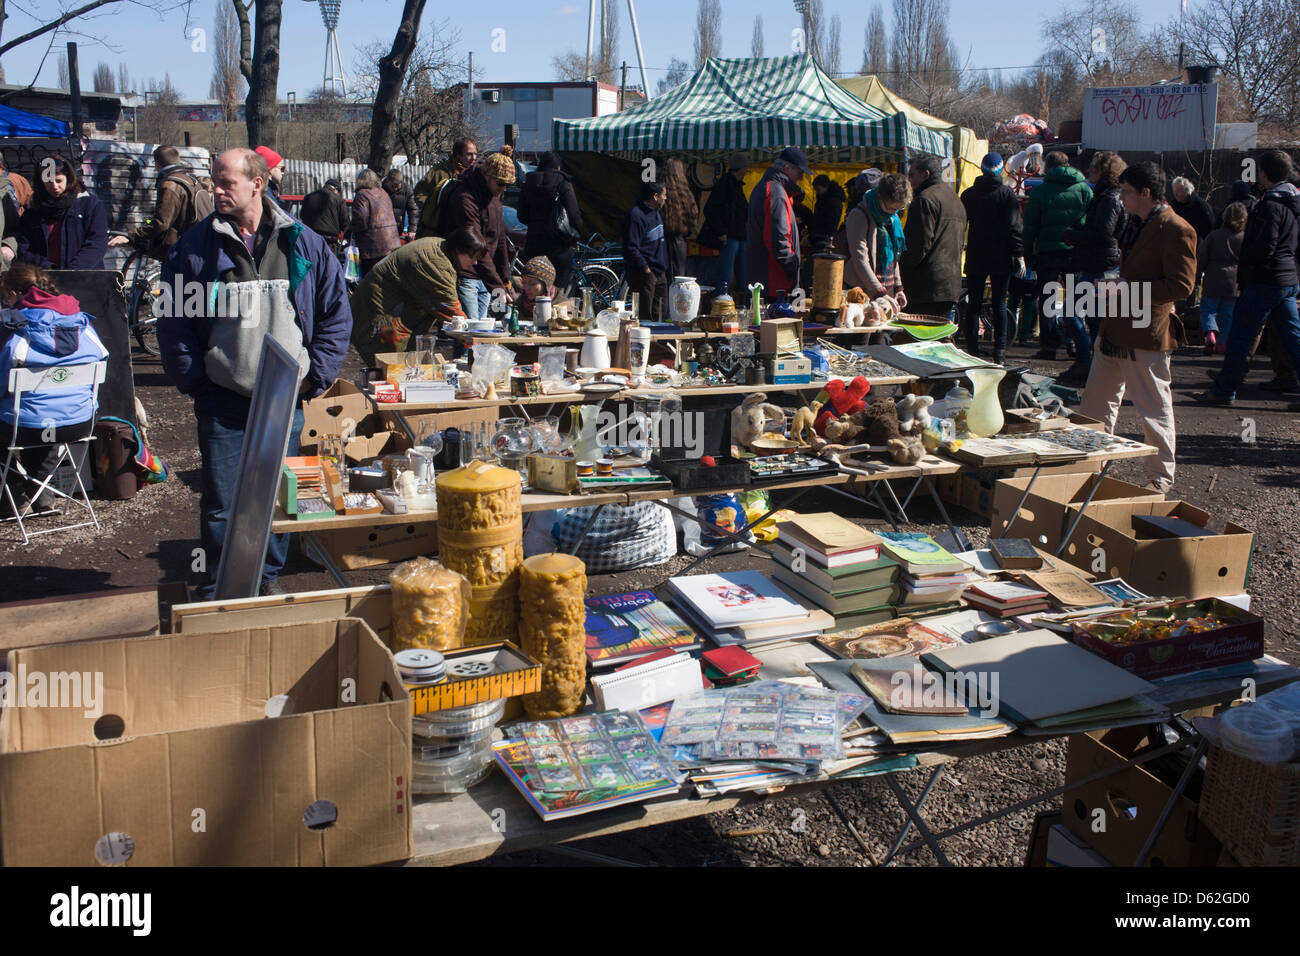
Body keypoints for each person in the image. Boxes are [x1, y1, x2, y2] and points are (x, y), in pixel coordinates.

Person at [156, 147, 352, 598]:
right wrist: (197, 382)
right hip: (223, 400)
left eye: (226, 182)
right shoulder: (195, 248)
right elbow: (172, 323)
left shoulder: (302, 242)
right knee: (224, 503)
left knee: (277, 501)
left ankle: (264, 583)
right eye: (214, 180)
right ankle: (220, 591)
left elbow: (336, 315)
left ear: (257, 184)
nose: (215, 189)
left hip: (285, 399)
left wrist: (313, 376)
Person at [1079, 162, 1196, 494]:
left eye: (1127, 192)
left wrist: (1129, 291)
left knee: (1153, 410)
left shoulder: (1177, 228)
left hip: (1147, 334)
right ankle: (1088, 468)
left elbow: (1182, 286)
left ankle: (1160, 478)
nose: (1122, 198)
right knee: (1095, 405)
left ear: (1146, 193)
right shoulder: (1136, 223)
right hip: (1115, 329)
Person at [0, 263, 108, 516]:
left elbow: (3, 381)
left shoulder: (15, 332)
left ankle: (13, 497)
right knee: (43, 415)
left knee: (22, 418)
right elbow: (103, 361)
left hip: (28, 428)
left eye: (5, 296)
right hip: (80, 424)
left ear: (15, 295)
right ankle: (42, 491)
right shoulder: (84, 326)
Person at [1197, 150, 1300, 407]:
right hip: (1287, 278)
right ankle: (1226, 386)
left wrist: (1248, 266)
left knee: (1241, 337)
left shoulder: (1269, 207)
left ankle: (1224, 389)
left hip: (1266, 280)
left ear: (1263, 174)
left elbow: (1264, 248)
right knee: (1292, 337)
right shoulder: (1293, 203)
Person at [350, 226, 488, 364]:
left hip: (383, 307)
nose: (474, 263)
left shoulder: (440, 248)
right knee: (388, 365)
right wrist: (472, 341)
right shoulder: (436, 262)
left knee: (397, 366)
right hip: (377, 315)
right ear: (459, 250)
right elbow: (450, 308)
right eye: (472, 257)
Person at [1057, 150, 1128, 385]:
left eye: (1095, 167)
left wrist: (1074, 236)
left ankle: (1088, 364)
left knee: (1073, 313)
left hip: (1098, 265)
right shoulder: (1109, 195)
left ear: (1105, 171)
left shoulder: (1108, 198)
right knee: (1095, 319)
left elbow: (1103, 233)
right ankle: (1096, 366)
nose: (1090, 171)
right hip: (1103, 263)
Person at [1022, 151, 1091, 359]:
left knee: (1048, 299)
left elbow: (1030, 226)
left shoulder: (1041, 191)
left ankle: (1050, 346)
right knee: (1075, 299)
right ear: (1068, 164)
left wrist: (1028, 253)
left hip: (1048, 252)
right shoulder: (1084, 189)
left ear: (1048, 167)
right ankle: (1074, 342)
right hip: (1076, 251)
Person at [960, 152, 1024, 363]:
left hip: (976, 255)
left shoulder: (968, 195)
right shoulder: (1007, 195)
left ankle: (972, 349)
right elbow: (1014, 227)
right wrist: (1019, 254)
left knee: (974, 304)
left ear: (981, 168)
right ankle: (1000, 351)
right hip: (1001, 257)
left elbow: (961, 226)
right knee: (999, 303)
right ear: (999, 169)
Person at [436, 151, 515, 320]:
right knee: (468, 332)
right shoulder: (464, 198)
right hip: (466, 275)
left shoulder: (494, 197)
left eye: (507, 185)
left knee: (484, 331)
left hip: (485, 276)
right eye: (501, 183)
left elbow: (500, 238)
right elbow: (475, 247)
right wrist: (497, 287)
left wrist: (505, 280)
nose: (504, 189)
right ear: (487, 177)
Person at [107, 145, 208, 261]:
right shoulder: (191, 181)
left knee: (177, 279)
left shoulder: (170, 185)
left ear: (157, 164)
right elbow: (159, 219)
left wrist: (133, 235)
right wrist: (148, 222)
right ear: (177, 159)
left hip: (182, 250)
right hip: (197, 244)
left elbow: (161, 222)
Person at [899, 154, 966, 319]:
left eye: (912, 175)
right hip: (949, 284)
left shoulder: (924, 199)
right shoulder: (955, 199)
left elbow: (918, 246)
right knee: (938, 337)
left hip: (925, 287)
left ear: (925, 174)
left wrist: (901, 275)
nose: (909, 180)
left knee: (919, 340)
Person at [16, 155, 108, 270]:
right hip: (44, 279)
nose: (55, 186)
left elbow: (97, 243)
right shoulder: (33, 210)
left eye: (59, 180)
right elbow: (24, 249)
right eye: (48, 181)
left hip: (84, 278)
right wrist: (47, 268)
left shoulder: (89, 205)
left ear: (68, 178)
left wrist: (73, 271)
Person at [746, 147, 810, 296]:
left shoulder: (771, 188)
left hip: (768, 277)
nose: (801, 178)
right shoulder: (776, 192)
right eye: (800, 173)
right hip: (773, 282)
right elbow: (778, 239)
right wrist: (793, 267)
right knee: (776, 318)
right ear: (787, 168)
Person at [519, 152, 584, 293]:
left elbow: (521, 215)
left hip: (534, 242)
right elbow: (574, 213)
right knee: (559, 288)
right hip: (559, 243)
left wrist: (534, 223)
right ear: (558, 167)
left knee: (534, 286)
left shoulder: (528, 183)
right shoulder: (563, 182)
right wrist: (578, 232)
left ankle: (534, 313)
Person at [843, 171, 910, 308]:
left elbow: (894, 256)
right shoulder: (859, 215)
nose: (893, 212)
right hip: (861, 290)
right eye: (890, 207)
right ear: (880, 197)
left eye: (899, 208)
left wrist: (898, 287)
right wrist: (879, 291)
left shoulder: (892, 218)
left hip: (884, 290)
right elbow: (860, 259)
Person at [1196, 201, 1247, 355]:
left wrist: (1197, 277)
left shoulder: (1214, 236)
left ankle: (1210, 332)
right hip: (1234, 281)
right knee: (1228, 314)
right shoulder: (1244, 238)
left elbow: (1202, 257)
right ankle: (1222, 344)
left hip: (1213, 277)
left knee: (1208, 310)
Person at [700, 153, 749, 293]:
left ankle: (738, 305)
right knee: (726, 279)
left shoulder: (734, 185)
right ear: (742, 168)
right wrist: (721, 232)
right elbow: (709, 209)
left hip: (738, 237)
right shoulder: (725, 184)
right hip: (731, 237)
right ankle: (722, 306)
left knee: (740, 277)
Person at [623, 180, 669, 321]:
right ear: (655, 196)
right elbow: (630, 247)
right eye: (664, 195)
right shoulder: (635, 215)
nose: (666, 198)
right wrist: (646, 269)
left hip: (660, 271)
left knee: (661, 313)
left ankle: (659, 341)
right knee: (645, 316)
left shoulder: (656, 213)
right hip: (644, 274)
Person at [414, 138, 477, 238]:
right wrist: (434, 208)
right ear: (458, 155)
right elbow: (419, 192)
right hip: (438, 232)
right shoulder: (439, 172)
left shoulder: (475, 175)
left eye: (475, 154)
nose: (473, 158)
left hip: (464, 230)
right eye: (469, 154)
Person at [349, 168, 401, 276]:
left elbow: (361, 220)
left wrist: (351, 229)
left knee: (371, 281)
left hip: (373, 246)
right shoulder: (384, 193)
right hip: (392, 243)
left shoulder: (362, 195)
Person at [661, 158, 698, 281]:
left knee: (665, 280)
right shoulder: (686, 193)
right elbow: (693, 216)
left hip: (663, 240)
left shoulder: (663, 193)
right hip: (680, 241)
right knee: (679, 279)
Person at [513, 255, 572, 322]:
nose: (526, 288)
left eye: (532, 284)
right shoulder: (520, 303)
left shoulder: (564, 307)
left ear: (546, 285)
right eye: (524, 283)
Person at [300, 178, 347, 248]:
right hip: (330, 240)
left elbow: (302, 215)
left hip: (310, 237)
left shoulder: (308, 197)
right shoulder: (339, 200)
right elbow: (345, 222)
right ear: (335, 189)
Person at [809, 174, 846, 254]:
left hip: (825, 238)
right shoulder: (822, 199)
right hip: (819, 236)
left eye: (818, 189)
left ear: (825, 186)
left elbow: (832, 223)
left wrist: (819, 234)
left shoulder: (834, 201)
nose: (817, 192)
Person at [382, 168, 418, 238]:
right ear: (388, 181)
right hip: (383, 229)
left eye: (397, 186)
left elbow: (413, 210)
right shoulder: (380, 190)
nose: (395, 189)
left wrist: (412, 229)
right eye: (392, 186)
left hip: (398, 229)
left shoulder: (406, 190)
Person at [254, 146, 289, 211]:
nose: (283, 172)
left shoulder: (268, 190)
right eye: (282, 168)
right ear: (270, 168)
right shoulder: (266, 194)